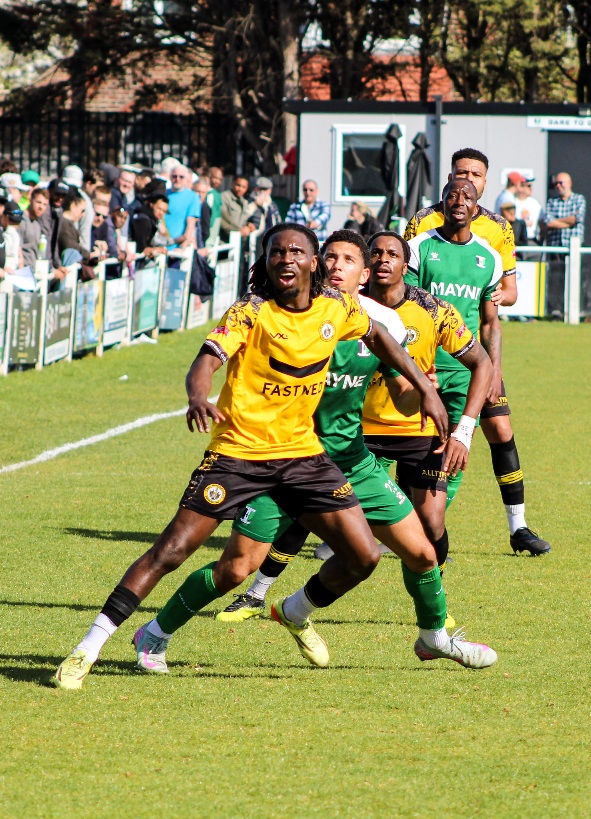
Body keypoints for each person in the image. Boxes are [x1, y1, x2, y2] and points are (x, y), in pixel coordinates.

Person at [53, 222, 452, 689]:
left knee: (364, 556)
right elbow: (206, 360)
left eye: (296, 251)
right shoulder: (251, 310)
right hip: (240, 455)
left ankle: (297, 612)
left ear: (311, 262)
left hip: (303, 458)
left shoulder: (338, 306)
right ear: (267, 261)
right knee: (183, 554)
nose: (286, 259)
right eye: (276, 252)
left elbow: (379, 336)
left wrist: (426, 387)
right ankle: (90, 648)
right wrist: (197, 396)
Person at [214, 232, 493, 658]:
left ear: (403, 267)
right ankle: (250, 596)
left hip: (398, 436)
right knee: (274, 539)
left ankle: (432, 628)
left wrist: (451, 417)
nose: (381, 260)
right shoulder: (320, 313)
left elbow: (472, 362)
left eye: (390, 254)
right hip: (326, 443)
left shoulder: (420, 313)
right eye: (373, 253)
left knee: (426, 532)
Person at [406, 177, 551, 556]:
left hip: (466, 371)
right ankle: (373, 527)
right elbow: (403, 309)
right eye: (452, 194)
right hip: (419, 368)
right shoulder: (419, 246)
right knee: (397, 445)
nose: (459, 200)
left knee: (467, 445)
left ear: (477, 205)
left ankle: (506, 527)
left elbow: (490, 323)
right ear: (442, 201)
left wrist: (493, 370)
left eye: (466, 196)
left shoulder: (488, 256)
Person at [541, 172, 586, 247]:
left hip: (573, 246)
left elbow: (577, 219)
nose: (558, 186)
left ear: (569, 183)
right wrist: (570, 224)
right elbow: (548, 222)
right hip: (555, 246)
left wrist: (556, 220)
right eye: (556, 183)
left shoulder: (579, 199)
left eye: (560, 183)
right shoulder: (552, 201)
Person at [165, 164, 201, 248]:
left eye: (181, 177)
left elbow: (190, 225)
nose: (177, 179)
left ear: (186, 179)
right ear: (170, 177)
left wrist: (182, 248)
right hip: (160, 245)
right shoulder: (163, 194)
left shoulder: (193, 197)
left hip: (177, 248)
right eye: (174, 176)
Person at [62, 165, 94, 253]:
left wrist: (85, 255)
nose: (70, 189)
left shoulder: (84, 202)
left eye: (74, 186)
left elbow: (85, 232)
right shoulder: (58, 197)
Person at [17, 188, 49, 269]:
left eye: (45, 204)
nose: (41, 207)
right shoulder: (21, 221)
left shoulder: (37, 224)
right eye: (38, 202)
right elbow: (17, 247)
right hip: (21, 269)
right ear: (30, 200)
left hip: (33, 269)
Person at [220, 175, 253, 240]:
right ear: (232, 184)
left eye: (243, 187)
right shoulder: (224, 197)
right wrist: (239, 230)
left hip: (238, 239)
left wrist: (248, 226)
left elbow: (242, 221)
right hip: (224, 239)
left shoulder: (244, 202)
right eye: (238, 185)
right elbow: (223, 220)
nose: (240, 189)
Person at [515, 178, 542, 243]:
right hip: (515, 240)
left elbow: (541, 222)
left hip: (531, 239)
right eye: (528, 186)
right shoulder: (512, 201)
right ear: (520, 187)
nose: (531, 188)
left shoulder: (535, 203)